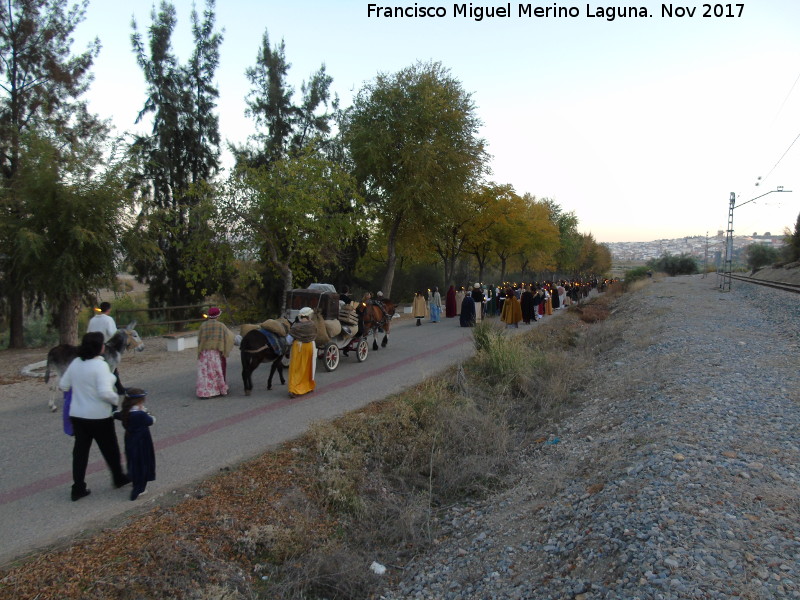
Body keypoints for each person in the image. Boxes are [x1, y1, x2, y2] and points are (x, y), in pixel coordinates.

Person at [59, 331, 130, 501]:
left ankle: (77, 488)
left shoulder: (76, 363)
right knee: (110, 449)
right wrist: (115, 399)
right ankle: (118, 477)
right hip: (99, 416)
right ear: (100, 348)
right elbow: (105, 393)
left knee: (80, 453)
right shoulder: (100, 366)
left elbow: (63, 385)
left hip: (77, 415)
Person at [115, 388, 155, 501]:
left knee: (133, 461)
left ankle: (134, 479)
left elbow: (115, 414)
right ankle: (140, 488)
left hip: (130, 440)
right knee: (143, 463)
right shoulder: (140, 414)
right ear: (140, 401)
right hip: (142, 441)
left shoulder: (125, 412)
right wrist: (146, 412)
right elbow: (151, 421)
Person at [196, 307, 236, 399]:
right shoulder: (221, 325)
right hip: (215, 352)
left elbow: (199, 339)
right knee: (214, 371)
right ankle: (215, 390)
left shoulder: (203, 325)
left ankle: (204, 391)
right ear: (217, 316)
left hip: (204, 352)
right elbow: (227, 337)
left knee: (204, 372)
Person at [87, 301, 125, 395]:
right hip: (104, 347)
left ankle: (120, 388)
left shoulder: (92, 320)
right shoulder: (108, 319)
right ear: (109, 309)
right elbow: (113, 334)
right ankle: (111, 389)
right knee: (111, 367)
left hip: (91, 347)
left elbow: (88, 332)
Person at [287, 306, 317, 398]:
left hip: (299, 348)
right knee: (308, 367)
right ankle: (307, 386)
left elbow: (288, 340)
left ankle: (294, 389)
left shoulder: (296, 326)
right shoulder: (313, 325)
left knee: (296, 368)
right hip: (310, 347)